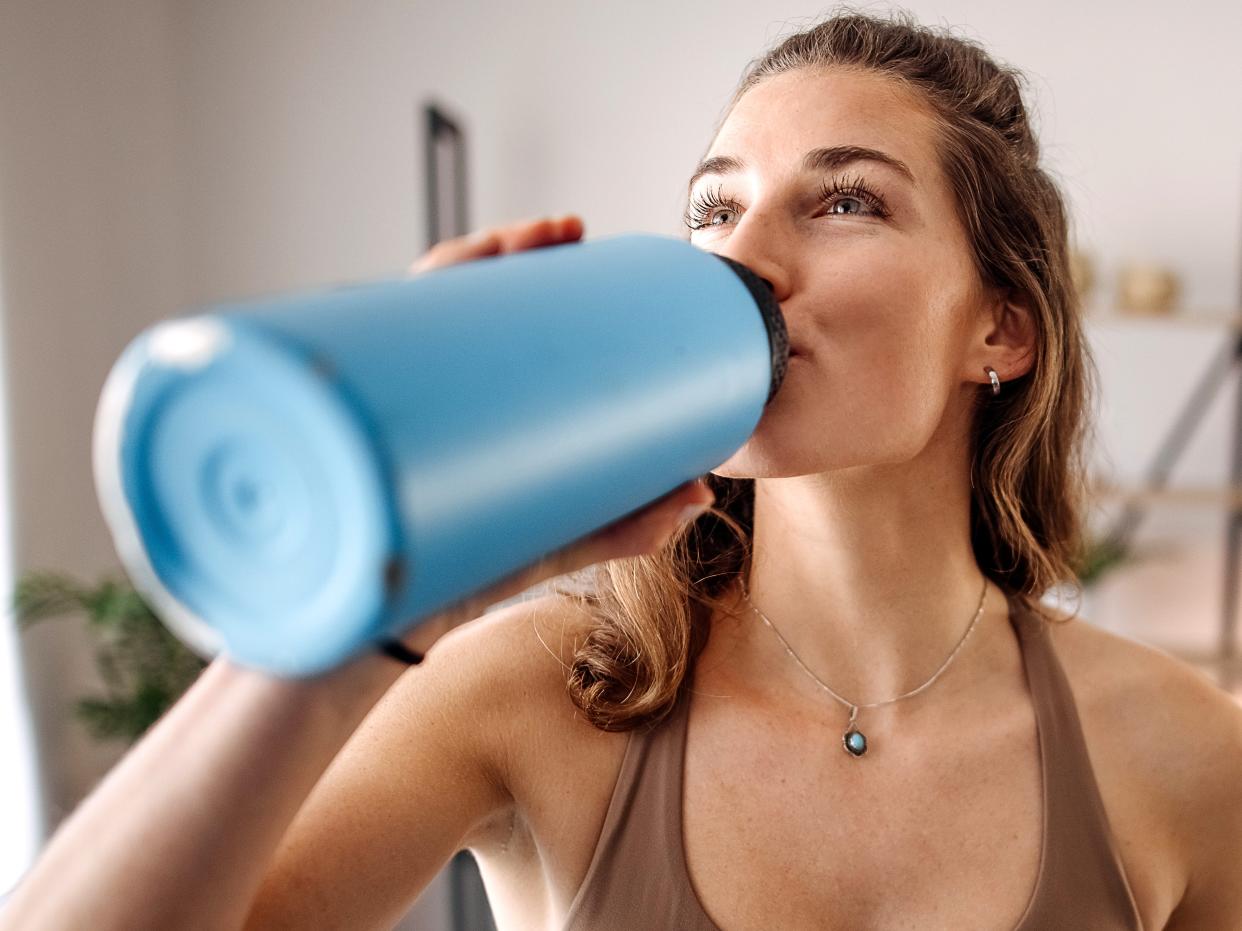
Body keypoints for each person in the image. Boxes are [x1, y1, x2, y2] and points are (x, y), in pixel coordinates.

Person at [4, 9, 1241, 930]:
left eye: (846, 202)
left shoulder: (1180, 751)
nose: (744, 256)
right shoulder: (547, 691)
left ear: (1000, 330)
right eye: (715, 209)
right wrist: (355, 622)